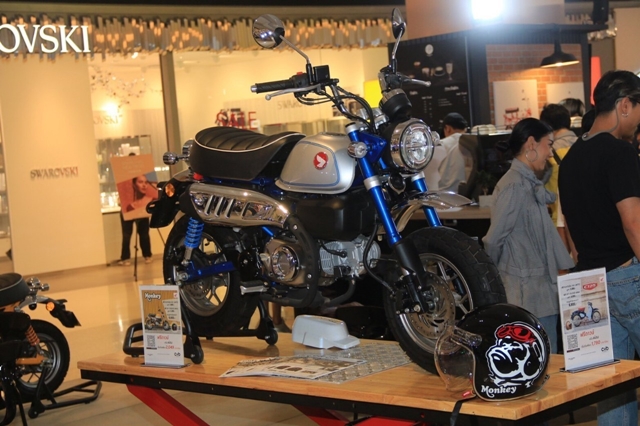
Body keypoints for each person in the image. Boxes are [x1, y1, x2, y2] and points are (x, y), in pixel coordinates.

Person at [558, 70, 640, 426]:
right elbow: (633, 222)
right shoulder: (620, 152)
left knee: (611, 388)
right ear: (625, 105)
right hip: (627, 277)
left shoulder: (570, 158)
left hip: (588, 285)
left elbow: (572, 232)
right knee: (613, 385)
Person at [483, 118, 574, 354]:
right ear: (532, 144)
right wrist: (496, 281)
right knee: (541, 362)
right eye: (548, 145)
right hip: (527, 298)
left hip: (537, 295)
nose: (550, 153)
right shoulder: (515, 186)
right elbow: (493, 240)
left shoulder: (526, 182)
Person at [539, 103, 578, 261]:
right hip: (584, 221)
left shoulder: (548, 153)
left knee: (562, 269)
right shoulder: (585, 147)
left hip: (557, 225)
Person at [118, 175, 154, 265]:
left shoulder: (150, 200)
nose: (144, 185)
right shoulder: (128, 203)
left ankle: (147, 255)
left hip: (142, 212)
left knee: (144, 234)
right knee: (126, 235)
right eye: (140, 182)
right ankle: (125, 258)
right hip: (127, 212)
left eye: (146, 182)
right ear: (134, 184)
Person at [438, 112, 468, 193]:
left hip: (443, 195)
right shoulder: (471, 143)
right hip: (466, 194)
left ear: (448, 128)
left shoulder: (440, 144)